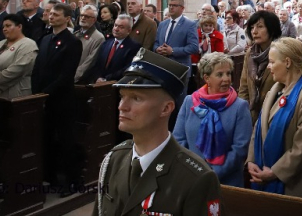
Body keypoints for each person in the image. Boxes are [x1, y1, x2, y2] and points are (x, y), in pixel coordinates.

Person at [94, 49, 221, 216]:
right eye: (122, 96)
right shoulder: (113, 160)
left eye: (136, 98)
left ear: (166, 108)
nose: (122, 106)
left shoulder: (196, 178)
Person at [246, 38, 302, 199]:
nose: (269, 67)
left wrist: (275, 172)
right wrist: (252, 160)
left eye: (272, 62)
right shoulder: (273, 91)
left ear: (287, 62)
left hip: (296, 185)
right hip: (266, 175)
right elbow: (259, 128)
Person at [173, 52, 251, 186]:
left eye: (228, 73)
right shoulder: (189, 102)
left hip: (226, 183)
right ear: (206, 78)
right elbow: (178, 139)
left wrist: (211, 174)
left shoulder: (240, 106)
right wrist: (192, 170)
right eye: (220, 74)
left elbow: (239, 149)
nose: (226, 79)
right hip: (191, 179)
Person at [31, 3, 83, 194]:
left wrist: (45, 93)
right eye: (50, 14)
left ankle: (72, 181)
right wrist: (36, 93)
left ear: (67, 18)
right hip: (43, 98)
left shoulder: (72, 42)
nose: (51, 17)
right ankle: (50, 178)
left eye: (56, 14)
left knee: (66, 141)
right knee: (46, 139)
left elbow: (66, 75)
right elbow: (36, 69)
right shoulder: (45, 40)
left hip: (62, 100)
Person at [238, 10, 283, 123]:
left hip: (274, 114)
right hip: (252, 114)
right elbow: (244, 86)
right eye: (252, 28)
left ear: (271, 29)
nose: (254, 31)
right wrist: (244, 111)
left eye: (260, 27)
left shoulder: (281, 52)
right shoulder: (250, 53)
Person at [154, 0, 200, 92]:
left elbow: (194, 47)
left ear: (182, 8)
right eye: (170, 5)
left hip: (180, 70)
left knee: (179, 102)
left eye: (174, 5)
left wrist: (173, 51)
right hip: (162, 69)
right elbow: (156, 42)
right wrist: (157, 49)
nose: (171, 7)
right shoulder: (162, 24)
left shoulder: (189, 25)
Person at [81, 15, 142, 83]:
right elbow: (97, 64)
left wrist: (107, 79)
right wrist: (98, 77)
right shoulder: (106, 43)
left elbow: (127, 69)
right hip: (98, 83)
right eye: (115, 25)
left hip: (117, 84)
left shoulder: (134, 47)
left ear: (129, 30)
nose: (116, 29)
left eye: (121, 27)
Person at [0, 13, 38, 99]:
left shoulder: (28, 44)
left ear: (19, 27)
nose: (5, 29)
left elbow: (18, 69)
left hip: (16, 94)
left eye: (8, 26)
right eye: (3, 27)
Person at [74, 4, 106, 82]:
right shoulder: (75, 34)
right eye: (82, 15)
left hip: (83, 80)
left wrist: (73, 77)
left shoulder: (98, 38)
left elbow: (89, 62)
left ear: (94, 20)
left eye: (87, 17)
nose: (83, 18)